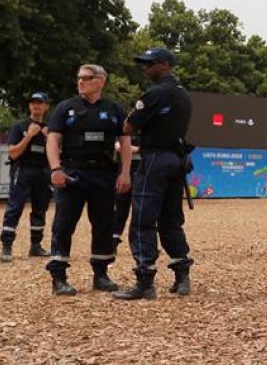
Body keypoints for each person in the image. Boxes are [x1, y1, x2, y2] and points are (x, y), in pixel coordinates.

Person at [113, 47, 194, 301]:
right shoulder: (183, 94)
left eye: (150, 63)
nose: (144, 67)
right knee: (171, 219)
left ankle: (144, 281)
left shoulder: (156, 93)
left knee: (142, 219)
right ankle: (182, 277)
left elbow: (128, 126)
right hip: (177, 160)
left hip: (155, 159)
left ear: (166, 65)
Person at [45, 65, 131, 296]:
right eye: (79, 78)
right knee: (63, 224)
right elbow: (52, 141)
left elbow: (124, 143)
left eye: (86, 78)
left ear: (101, 81)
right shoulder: (66, 108)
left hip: (104, 174)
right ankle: (59, 276)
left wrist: (125, 173)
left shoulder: (114, 109)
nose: (81, 82)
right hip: (72, 173)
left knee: (104, 224)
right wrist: (56, 169)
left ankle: (101, 274)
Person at [1, 92, 53, 262]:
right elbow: (13, 153)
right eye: (33, 102)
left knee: (40, 208)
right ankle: (7, 247)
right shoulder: (20, 125)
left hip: (43, 172)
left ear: (46, 106)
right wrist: (29, 136)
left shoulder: (50, 129)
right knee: (15, 207)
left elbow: (59, 153)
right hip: (23, 170)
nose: (36, 105)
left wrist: (47, 137)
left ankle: (36, 246)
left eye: (40, 102)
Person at [112, 135, 141, 253]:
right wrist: (138, 149)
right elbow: (118, 146)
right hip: (123, 174)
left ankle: (141, 243)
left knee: (140, 210)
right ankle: (113, 241)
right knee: (120, 210)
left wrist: (128, 148)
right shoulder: (122, 129)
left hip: (141, 173)